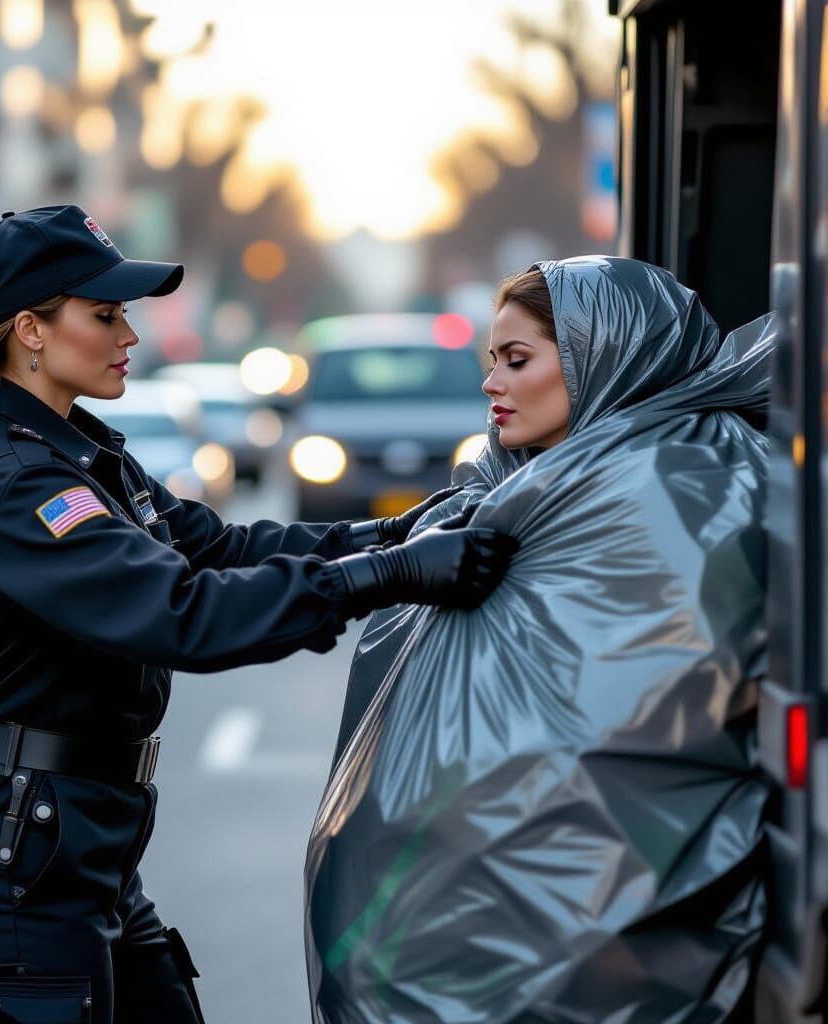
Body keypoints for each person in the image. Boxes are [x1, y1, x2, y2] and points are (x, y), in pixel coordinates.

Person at [0, 205, 516, 1024]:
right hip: (19, 863)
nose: (129, 334)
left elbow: (219, 548)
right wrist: (390, 575)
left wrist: (393, 532)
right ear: (31, 330)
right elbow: (181, 612)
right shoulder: (18, 484)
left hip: (76, 842)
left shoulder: (82, 454)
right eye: (104, 315)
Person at [305, 256, 773, 1024]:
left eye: (517, 360)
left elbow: (645, 718)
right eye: (493, 359)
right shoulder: (523, 487)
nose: (491, 382)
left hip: (595, 902)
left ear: (601, 356)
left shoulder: (679, 487)